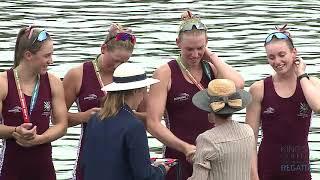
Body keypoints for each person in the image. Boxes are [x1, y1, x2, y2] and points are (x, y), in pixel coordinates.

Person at [146, 10, 244, 180]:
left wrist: (212, 56)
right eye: (189, 49)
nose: (195, 55)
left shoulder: (211, 69)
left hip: (212, 157)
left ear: (206, 44)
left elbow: (238, 85)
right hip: (179, 156)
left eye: (200, 48)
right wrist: (185, 148)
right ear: (178, 43)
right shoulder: (165, 73)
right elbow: (153, 123)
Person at [62, 23, 137, 180]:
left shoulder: (131, 75)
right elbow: (57, 118)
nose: (119, 67)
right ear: (103, 49)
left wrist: (126, 116)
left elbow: (149, 116)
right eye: (116, 60)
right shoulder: (78, 74)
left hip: (124, 156)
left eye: (125, 62)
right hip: (90, 157)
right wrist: (84, 117)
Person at [246, 24, 320, 180]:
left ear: (294, 53)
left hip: (300, 169)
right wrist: (253, 176)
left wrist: (301, 75)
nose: (277, 61)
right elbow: (249, 139)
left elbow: (318, 106)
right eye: (271, 57)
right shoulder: (258, 89)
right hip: (267, 169)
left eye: (282, 55)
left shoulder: (312, 84)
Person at [81, 62, 170, 180]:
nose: (144, 96)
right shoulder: (134, 125)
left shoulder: (95, 119)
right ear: (135, 91)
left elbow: (86, 162)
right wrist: (161, 169)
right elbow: (144, 176)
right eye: (144, 90)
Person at [0, 26, 68, 180]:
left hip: (44, 171)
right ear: (28, 55)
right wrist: (15, 131)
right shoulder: (3, 83)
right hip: (11, 170)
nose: (51, 61)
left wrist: (39, 139)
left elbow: (62, 125)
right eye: (47, 56)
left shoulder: (53, 82)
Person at [188, 78, 254, 180]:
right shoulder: (248, 131)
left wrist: (198, 159)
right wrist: (198, 157)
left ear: (209, 108)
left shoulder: (206, 139)